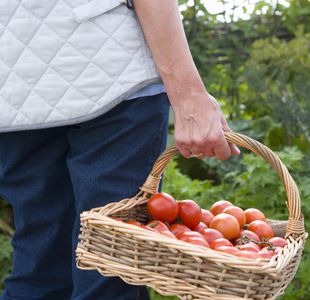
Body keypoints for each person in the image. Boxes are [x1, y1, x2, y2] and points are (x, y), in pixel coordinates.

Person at [0, 1, 240, 300]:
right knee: (110, 268)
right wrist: (188, 93)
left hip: (14, 91)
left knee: (41, 267)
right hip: (111, 75)